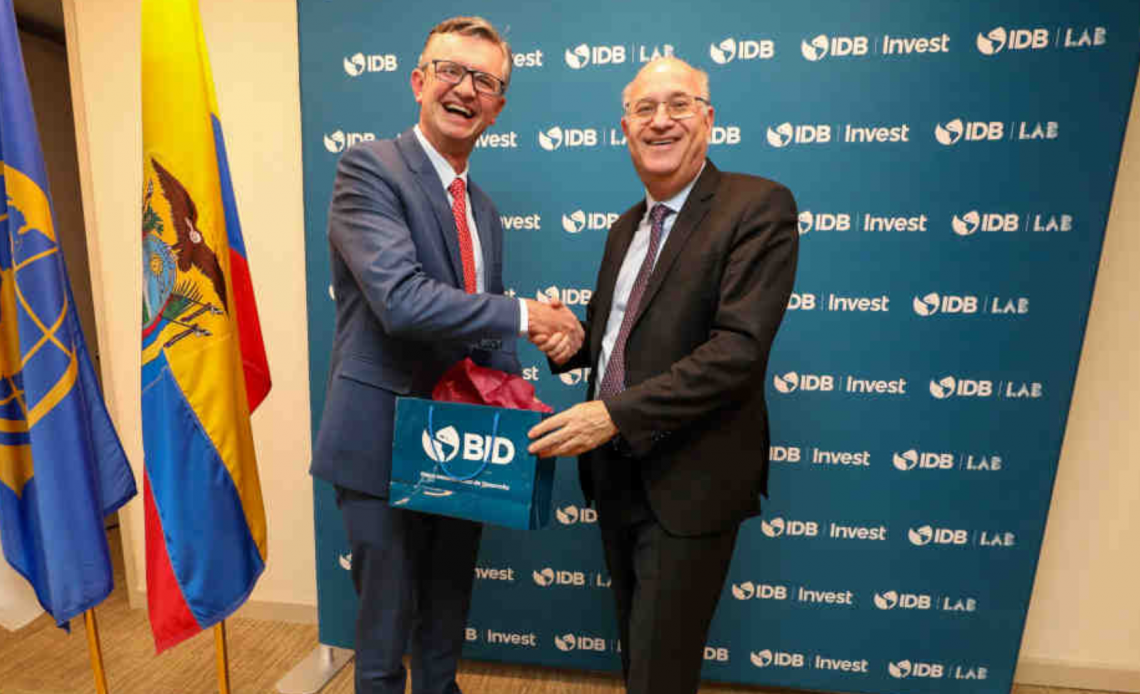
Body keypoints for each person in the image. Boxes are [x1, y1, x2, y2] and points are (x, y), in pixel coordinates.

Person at [310, 16, 582, 694]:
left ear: (498, 107)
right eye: (451, 71)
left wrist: (546, 346)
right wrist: (526, 315)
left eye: (484, 81)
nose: (465, 89)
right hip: (380, 441)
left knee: (444, 626)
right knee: (382, 644)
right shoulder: (369, 168)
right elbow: (402, 301)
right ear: (418, 81)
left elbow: (479, 332)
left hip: (463, 446)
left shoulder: (482, 209)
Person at [528, 56, 798, 694]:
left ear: (709, 120)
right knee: (640, 658)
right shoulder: (626, 227)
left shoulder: (757, 205)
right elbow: (621, 339)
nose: (660, 121)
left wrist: (612, 415)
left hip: (690, 482)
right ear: (625, 128)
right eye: (644, 109)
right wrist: (570, 344)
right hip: (614, 475)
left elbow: (737, 352)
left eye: (679, 105)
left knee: (660, 672)